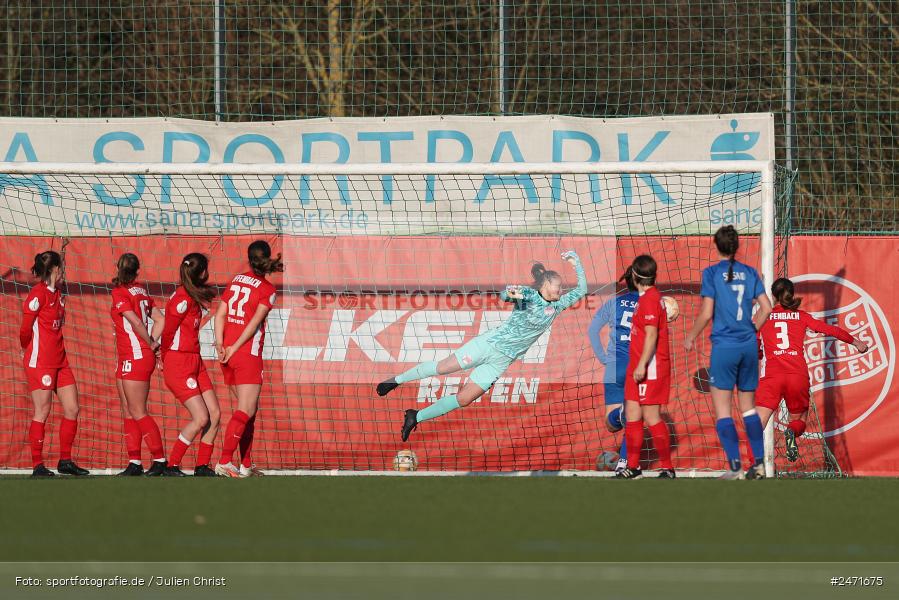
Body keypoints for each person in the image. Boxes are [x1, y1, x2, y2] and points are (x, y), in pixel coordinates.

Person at [378, 250, 587, 442]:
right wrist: (510, 293)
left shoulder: (558, 305)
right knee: (443, 368)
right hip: (488, 345)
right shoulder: (530, 295)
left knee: (465, 398)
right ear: (546, 285)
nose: (562, 289)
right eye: (558, 285)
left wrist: (575, 262)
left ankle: (416, 416)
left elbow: (583, 289)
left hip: (502, 360)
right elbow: (506, 295)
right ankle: (395, 380)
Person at [684, 225, 772, 479]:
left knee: (723, 410)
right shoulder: (750, 272)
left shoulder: (711, 273)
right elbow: (766, 307)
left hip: (725, 346)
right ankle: (758, 464)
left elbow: (707, 312)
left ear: (716, 245)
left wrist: (690, 336)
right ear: (736, 247)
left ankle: (735, 468)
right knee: (748, 408)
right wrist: (750, 330)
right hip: (747, 345)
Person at [756, 277, 867, 461]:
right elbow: (830, 330)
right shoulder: (801, 316)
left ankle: (752, 468)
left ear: (773, 295)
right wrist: (856, 342)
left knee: (757, 424)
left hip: (772, 376)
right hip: (797, 376)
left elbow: (754, 346)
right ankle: (791, 432)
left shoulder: (763, 317)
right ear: (791, 294)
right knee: (799, 421)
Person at [214, 240, 282, 478]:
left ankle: (245, 465)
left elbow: (220, 314)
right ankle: (224, 461)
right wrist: (234, 348)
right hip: (246, 354)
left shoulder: (236, 280)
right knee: (245, 409)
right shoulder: (267, 290)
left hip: (228, 355)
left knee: (248, 411)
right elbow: (253, 325)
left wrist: (221, 345)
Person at [20, 250, 89, 477]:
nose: (64, 271)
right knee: (42, 411)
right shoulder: (37, 295)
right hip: (41, 362)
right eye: (61, 267)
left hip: (61, 361)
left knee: (72, 408)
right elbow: (24, 331)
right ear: (54, 269)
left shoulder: (59, 293)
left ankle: (65, 461)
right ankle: (37, 465)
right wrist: (27, 351)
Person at [158, 253, 221, 477]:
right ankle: (171, 465)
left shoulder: (192, 295)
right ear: (201, 272)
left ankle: (202, 466)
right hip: (178, 361)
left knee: (215, 414)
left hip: (195, 360)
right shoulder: (182, 298)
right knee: (201, 417)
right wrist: (163, 357)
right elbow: (167, 331)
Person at [616, 255, 675, 479]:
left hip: (649, 366)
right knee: (632, 414)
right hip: (638, 364)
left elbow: (651, 335)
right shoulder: (647, 298)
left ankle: (667, 468)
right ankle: (633, 467)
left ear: (634, 275)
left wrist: (641, 365)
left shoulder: (651, 299)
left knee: (651, 416)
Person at [109, 253, 167, 476]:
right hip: (127, 356)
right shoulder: (141, 291)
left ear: (118, 268)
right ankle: (134, 462)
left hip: (136, 355)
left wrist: (151, 342)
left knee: (137, 410)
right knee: (128, 410)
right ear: (137, 270)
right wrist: (153, 339)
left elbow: (134, 321)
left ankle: (160, 459)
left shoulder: (120, 292)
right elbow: (161, 319)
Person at [587, 267, 639, 474]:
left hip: (613, 364)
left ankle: (623, 463)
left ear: (626, 281)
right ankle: (625, 463)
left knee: (612, 423)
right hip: (636, 364)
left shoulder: (614, 302)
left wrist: (602, 357)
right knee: (633, 417)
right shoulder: (649, 302)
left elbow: (592, 330)